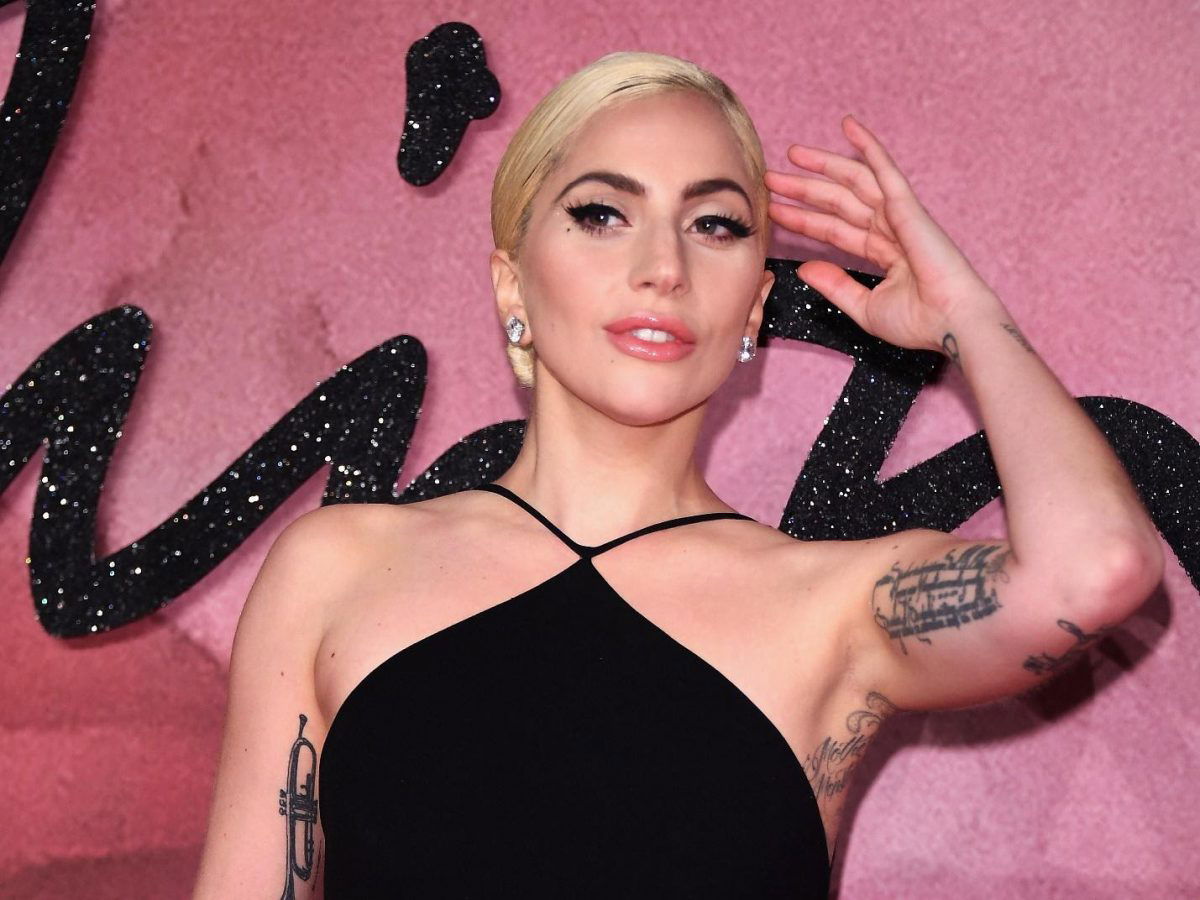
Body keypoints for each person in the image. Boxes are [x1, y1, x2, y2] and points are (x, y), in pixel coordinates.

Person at [193, 51, 1164, 898]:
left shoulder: (830, 608)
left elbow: (1095, 572)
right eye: (603, 213)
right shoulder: (337, 570)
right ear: (512, 282)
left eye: (715, 226)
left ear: (754, 309)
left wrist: (969, 316)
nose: (663, 265)